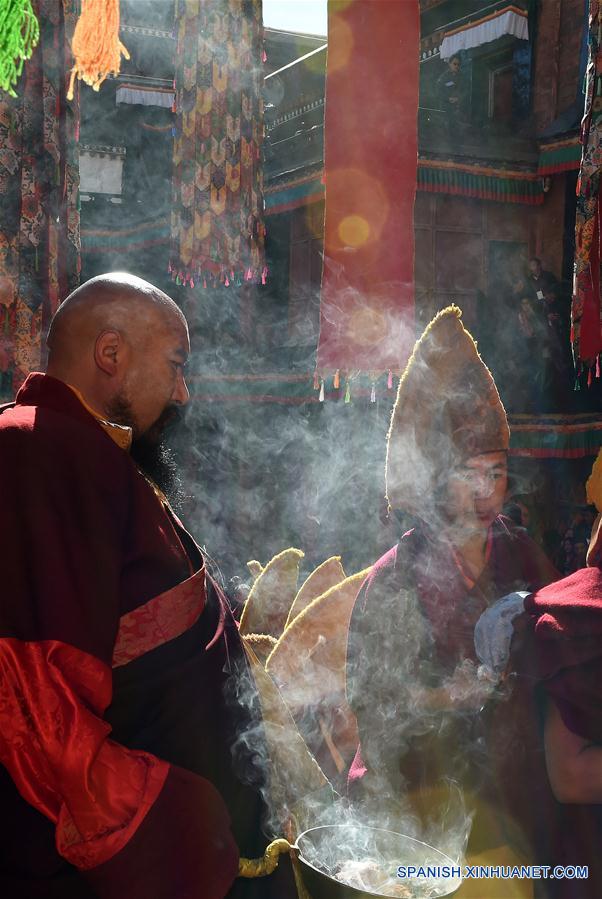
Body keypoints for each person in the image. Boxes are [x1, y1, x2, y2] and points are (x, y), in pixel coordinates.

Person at [0, 273, 294, 899]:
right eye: (176, 364)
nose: (183, 390)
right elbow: (34, 700)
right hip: (148, 859)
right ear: (112, 354)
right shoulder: (36, 448)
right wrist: (177, 827)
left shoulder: (92, 450)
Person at [346, 307, 558, 886]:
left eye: (498, 472)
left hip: (512, 799)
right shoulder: (395, 579)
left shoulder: (521, 556)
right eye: (471, 473)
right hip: (423, 799)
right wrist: (445, 699)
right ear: (440, 477)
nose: (488, 492)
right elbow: (372, 704)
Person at [436, 54, 464, 121]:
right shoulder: (443, 78)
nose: (457, 66)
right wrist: (448, 99)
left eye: (458, 64)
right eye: (454, 64)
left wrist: (459, 98)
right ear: (450, 64)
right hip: (446, 110)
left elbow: (465, 90)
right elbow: (438, 93)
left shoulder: (462, 76)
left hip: (460, 109)